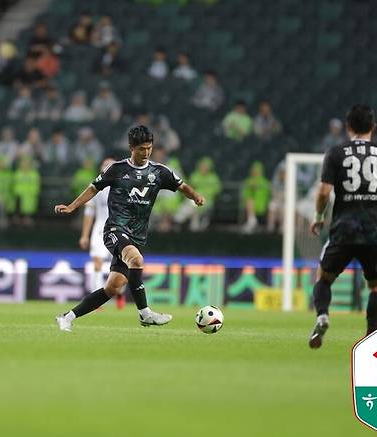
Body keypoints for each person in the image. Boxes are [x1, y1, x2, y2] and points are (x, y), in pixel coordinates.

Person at [54, 125, 205, 331]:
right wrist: (71, 207)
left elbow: (181, 186)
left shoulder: (159, 172)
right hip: (115, 230)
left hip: (137, 236)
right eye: (142, 148)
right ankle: (145, 314)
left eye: (149, 148)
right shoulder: (117, 169)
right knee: (136, 260)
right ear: (131, 147)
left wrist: (195, 196)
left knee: (113, 288)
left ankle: (67, 317)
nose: (146, 152)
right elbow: (92, 188)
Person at [308, 104, 377, 349]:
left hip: (344, 227)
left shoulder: (335, 153)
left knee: (325, 277)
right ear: (373, 127)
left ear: (348, 127)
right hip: (375, 230)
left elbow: (323, 191)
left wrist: (319, 215)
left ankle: (323, 315)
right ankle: (372, 336)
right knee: (376, 285)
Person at [79, 158, 126, 309]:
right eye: (105, 165)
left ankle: (119, 293)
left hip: (119, 229)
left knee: (121, 266)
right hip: (100, 229)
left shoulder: (123, 187)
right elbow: (89, 213)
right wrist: (85, 235)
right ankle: (97, 301)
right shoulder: (96, 187)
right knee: (97, 262)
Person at [241, 161, 271, 233]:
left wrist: (257, 188)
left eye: (257, 170)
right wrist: (251, 189)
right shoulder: (247, 181)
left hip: (261, 203)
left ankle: (251, 222)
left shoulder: (265, 182)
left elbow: (267, 195)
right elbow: (244, 194)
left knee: (250, 202)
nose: (255, 172)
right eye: (253, 170)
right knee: (249, 201)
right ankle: (252, 221)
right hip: (250, 204)